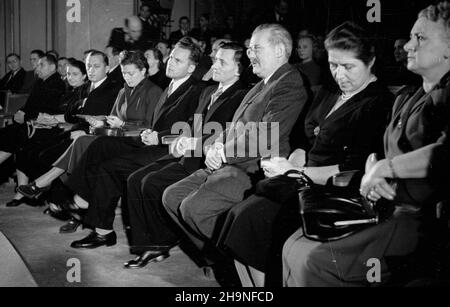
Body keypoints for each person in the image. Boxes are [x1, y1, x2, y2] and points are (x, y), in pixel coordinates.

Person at [283, 1, 450, 287]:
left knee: (315, 261)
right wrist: (376, 165)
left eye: (420, 38)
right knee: (293, 247)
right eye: (410, 37)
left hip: (420, 222)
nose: (408, 46)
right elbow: (379, 151)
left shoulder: (443, 98)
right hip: (382, 206)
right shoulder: (408, 97)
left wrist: (387, 168)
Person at [220, 21, 394, 287]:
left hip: (333, 191)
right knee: (238, 217)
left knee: (251, 221)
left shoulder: (377, 103)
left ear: (370, 62)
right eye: (333, 65)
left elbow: (353, 169)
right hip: (301, 179)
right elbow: (304, 137)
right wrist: (294, 158)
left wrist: (296, 172)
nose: (339, 74)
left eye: (348, 67)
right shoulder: (330, 91)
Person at [161, 24, 308, 280]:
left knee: (194, 209)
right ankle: (225, 260)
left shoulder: (289, 82)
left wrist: (224, 152)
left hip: (252, 170)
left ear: (280, 50)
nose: (250, 54)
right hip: (230, 164)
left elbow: (266, 135)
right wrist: (217, 145)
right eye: (249, 48)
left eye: (256, 48)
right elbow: (234, 127)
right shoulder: (261, 84)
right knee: (172, 197)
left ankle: (239, 264)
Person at [62, 37, 204, 249]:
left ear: (192, 67)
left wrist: (156, 134)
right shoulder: (170, 85)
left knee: (109, 167)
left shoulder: (195, 90)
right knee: (99, 146)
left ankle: (97, 224)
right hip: (149, 140)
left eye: (178, 60)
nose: (171, 63)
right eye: (171, 58)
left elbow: (192, 127)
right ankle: (86, 206)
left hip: (169, 149)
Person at [122, 42, 249, 270]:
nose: (214, 65)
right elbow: (192, 125)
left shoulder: (241, 95)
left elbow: (227, 135)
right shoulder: (209, 91)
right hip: (188, 156)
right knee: (135, 180)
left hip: (208, 162)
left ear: (238, 70)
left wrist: (190, 143)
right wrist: (178, 140)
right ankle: (151, 244)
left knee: (151, 183)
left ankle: (163, 243)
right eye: (215, 59)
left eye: (222, 61)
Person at [18, 51, 163, 229]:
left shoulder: (154, 91)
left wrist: (122, 124)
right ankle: (62, 193)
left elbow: (150, 127)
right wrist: (100, 121)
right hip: (118, 137)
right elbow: (112, 118)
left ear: (143, 71)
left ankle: (56, 190)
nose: (127, 77)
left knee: (88, 144)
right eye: (124, 73)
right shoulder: (123, 90)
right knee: (82, 141)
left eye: (131, 73)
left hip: (137, 142)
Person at [0, 53, 66, 206]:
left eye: (41, 65)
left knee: (14, 138)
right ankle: (21, 191)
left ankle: (21, 192)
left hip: (45, 127)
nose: (37, 68)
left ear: (52, 67)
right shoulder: (40, 82)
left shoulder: (56, 83)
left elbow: (49, 109)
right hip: (31, 124)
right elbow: (29, 104)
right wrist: (20, 112)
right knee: (8, 137)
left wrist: (25, 114)